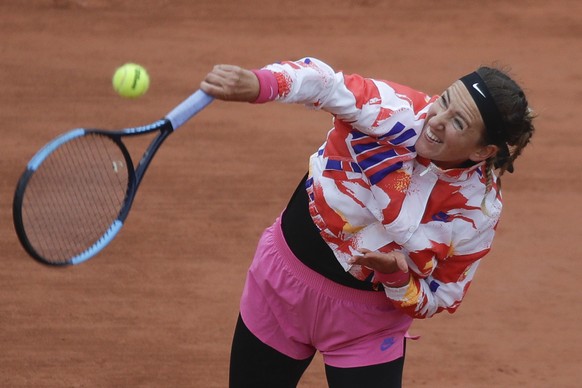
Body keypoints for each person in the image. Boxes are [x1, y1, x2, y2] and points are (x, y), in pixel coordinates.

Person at [200, 57, 535, 388]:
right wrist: (261, 84)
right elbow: (327, 84)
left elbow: (443, 295)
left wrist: (398, 279)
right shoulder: (395, 109)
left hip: (368, 328)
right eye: (444, 100)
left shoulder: (478, 211)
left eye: (459, 122)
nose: (436, 120)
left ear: (482, 151)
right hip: (279, 292)